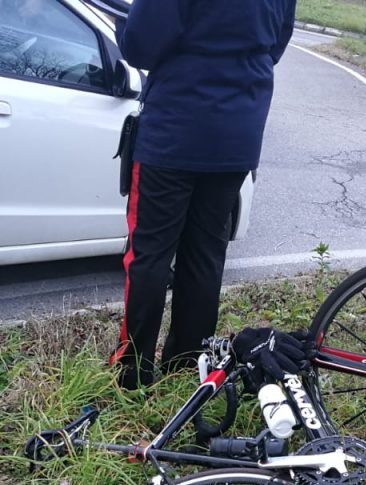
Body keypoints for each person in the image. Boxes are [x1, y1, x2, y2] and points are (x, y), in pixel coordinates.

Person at [109, 0, 297, 390]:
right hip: (237, 133)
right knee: (206, 255)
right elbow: (277, 42)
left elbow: (141, 45)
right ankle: (186, 364)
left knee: (150, 254)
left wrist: (120, 26)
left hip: (173, 132)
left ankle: (132, 369)